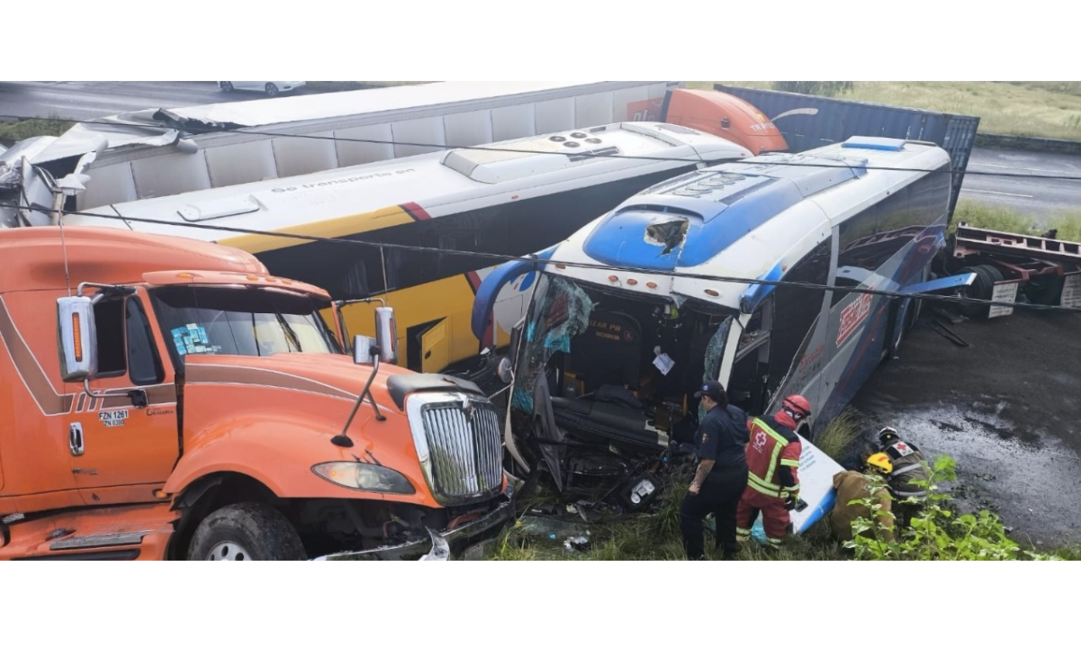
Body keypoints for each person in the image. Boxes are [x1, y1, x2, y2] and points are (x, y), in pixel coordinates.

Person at [679, 380, 749, 560]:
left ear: (706, 399)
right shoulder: (737, 412)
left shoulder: (710, 421)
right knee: (727, 512)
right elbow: (746, 443)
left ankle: (696, 557)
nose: (701, 402)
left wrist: (696, 484)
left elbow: (708, 461)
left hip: (720, 477)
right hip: (740, 473)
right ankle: (727, 553)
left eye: (702, 399)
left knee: (689, 512)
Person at [735, 395, 811, 549]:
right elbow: (787, 471)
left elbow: (743, 434)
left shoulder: (760, 420)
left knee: (741, 518)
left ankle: (737, 547)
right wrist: (793, 494)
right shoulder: (791, 441)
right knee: (777, 525)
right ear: (798, 417)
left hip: (746, 484)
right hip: (771, 494)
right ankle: (775, 553)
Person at [829, 453, 897, 544]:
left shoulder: (850, 475)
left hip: (834, 528)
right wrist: (891, 548)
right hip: (854, 541)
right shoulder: (882, 494)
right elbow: (885, 524)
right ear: (886, 474)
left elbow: (835, 480)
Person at [876, 426, 930, 529]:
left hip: (904, 491)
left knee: (882, 485)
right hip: (924, 490)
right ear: (897, 437)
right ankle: (909, 534)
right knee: (914, 519)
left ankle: (893, 526)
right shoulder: (914, 446)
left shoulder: (884, 454)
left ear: (882, 441)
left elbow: (880, 474)